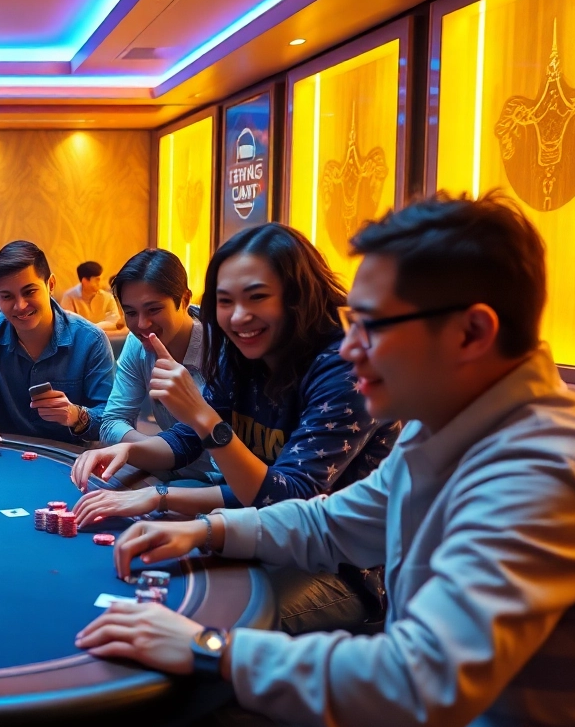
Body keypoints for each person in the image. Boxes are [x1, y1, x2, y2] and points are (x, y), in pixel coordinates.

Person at [76, 193, 575, 727]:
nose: (352, 350)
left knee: (188, 708)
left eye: (373, 326)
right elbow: (331, 521)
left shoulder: (541, 470)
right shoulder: (439, 422)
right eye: (351, 322)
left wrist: (209, 646)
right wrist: (201, 528)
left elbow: (418, 684)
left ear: (471, 334)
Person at [71, 224, 396, 634]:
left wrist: (200, 421)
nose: (239, 316)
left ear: (297, 296)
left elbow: (286, 499)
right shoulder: (239, 354)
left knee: (196, 621)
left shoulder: (342, 369)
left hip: (343, 568)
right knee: (161, 588)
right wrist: (131, 456)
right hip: (257, 530)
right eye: (225, 301)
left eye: (256, 297)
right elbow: (189, 443)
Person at [0, 241, 115, 448]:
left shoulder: (91, 340)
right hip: (3, 455)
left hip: (71, 462)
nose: (20, 306)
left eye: (29, 292)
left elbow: (111, 420)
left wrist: (76, 415)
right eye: (6, 296)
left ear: (50, 285)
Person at [99, 249, 217, 483]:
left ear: (184, 300)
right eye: (131, 312)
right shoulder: (137, 342)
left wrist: (145, 451)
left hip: (227, 484)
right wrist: (155, 451)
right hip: (170, 473)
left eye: (154, 309)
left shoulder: (223, 346)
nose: (142, 324)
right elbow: (111, 423)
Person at [60, 260, 123, 331]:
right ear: (85, 281)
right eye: (97, 280)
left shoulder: (108, 297)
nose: (101, 283)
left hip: (106, 337)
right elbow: (67, 324)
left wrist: (95, 327)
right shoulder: (69, 297)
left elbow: (115, 322)